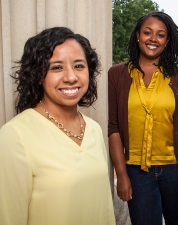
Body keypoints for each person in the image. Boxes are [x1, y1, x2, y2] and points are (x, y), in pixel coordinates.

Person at [0, 27, 115, 225]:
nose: (71, 77)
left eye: (79, 66)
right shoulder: (15, 135)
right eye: (56, 67)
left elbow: (105, 207)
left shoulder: (94, 128)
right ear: (38, 75)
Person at [108, 11, 178, 225]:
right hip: (136, 172)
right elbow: (113, 128)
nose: (153, 39)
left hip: (176, 169)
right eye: (147, 32)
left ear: (167, 41)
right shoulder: (117, 75)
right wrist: (121, 174)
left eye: (160, 35)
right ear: (137, 35)